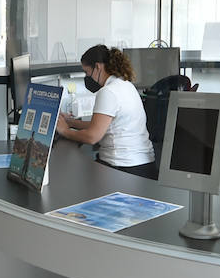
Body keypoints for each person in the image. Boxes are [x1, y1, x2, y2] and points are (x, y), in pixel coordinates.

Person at [55, 44, 156, 179]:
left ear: (98, 67)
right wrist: (70, 122)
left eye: (87, 72)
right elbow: (101, 125)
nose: (87, 77)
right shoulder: (126, 85)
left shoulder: (108, 92)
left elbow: (92, 136)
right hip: (143, 166)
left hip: (123, 168)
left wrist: (65, 131)